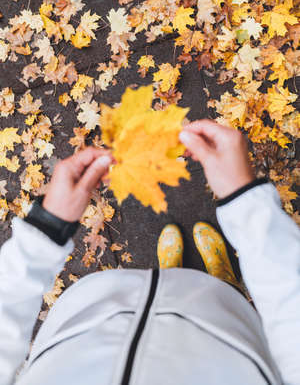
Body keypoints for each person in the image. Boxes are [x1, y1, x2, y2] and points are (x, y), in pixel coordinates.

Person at [0, 118, 299, 385]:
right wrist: (244, 200)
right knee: (216, 297)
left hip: (95, 309)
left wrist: (48, 228)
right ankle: (223, 283)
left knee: (183, 289)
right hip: (224, 323)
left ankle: (171, 274)